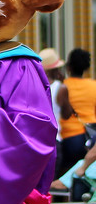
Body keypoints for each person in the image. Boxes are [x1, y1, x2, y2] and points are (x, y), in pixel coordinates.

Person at [59, 48, 96, 174]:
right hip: (91, 137)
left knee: (65, 175)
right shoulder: (93, 85)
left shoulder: (62, 86)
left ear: (69, 67)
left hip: (69, 137)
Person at [39, 48, 72, 177]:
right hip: (54, 139)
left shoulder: (34, 85)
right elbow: (67, 114)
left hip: (36, 139)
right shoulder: (61, 87)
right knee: (52, 179)